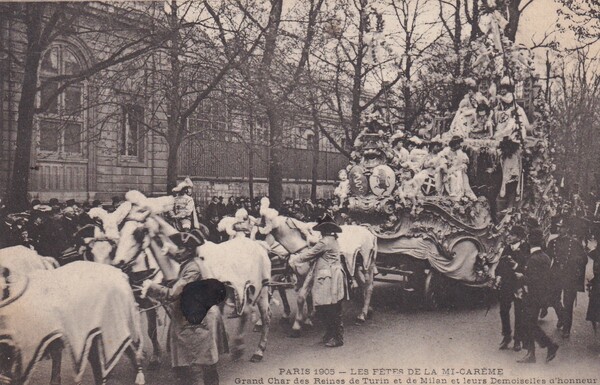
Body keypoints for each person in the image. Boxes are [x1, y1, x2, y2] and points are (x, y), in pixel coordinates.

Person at [141, 232, 228, 385]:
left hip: (196, 322)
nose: (177, 251)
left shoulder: (192, 268)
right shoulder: (193, 262)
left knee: (194, 366)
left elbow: (174, 293)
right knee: (206, 366)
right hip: (201, 318)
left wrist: (152, 287)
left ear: (188, 250)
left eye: (180, 248)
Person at [290, 214, 348, 347]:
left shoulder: (325, 242)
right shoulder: (331, 239)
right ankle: (330, 333)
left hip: (329, 278)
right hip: (330, 276)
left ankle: (337, 337)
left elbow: (309, 255)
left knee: (329, 308)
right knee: (328, 307)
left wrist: (294, 258)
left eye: (321, 229)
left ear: (324, 230)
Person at [516, 227, 559, 363]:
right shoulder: (545, 257)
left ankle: (546, 347)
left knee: (528, 323)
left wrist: (521, 277)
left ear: (530, 241)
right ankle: (533, 352)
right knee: (529, 323)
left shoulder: (533, 259)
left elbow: (533, 280)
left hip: (532, 296)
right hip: (541, 296)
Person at [547, 216, 589, 338]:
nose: (559, 230)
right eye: (558, 227)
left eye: (562, 228)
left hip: (569, 276)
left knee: (568, 302)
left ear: (568, 229)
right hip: (555, 275)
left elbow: (584, 259)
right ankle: (562, 317)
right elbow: (547, 258)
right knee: (553, 298)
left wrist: (577, 261)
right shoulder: (552, 242)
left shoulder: (575, 243)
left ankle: (567, 328)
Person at [495, 225, 529, 351]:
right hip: (506, 284)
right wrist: (498, 275)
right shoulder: (506, 249)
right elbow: (500, 265)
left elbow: (528, 268)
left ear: (519, 237)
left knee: (519, 313)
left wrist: (515, 265)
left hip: (518, 285)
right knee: (503, 310)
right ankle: (507, 336)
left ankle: (517, 340)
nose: (509, 236)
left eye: (512, 235)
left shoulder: (526, 248)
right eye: (509, 234)